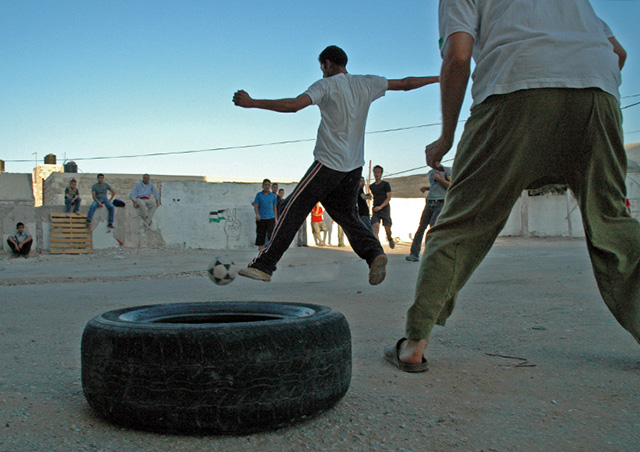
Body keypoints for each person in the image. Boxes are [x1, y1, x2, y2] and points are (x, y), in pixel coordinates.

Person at [385, 0, 638, 373]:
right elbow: (618, 53)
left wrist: (446, 137)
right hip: (597, 92)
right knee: (612, 220)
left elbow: (458, 57)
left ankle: (414, 344)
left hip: (513, 88)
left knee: (463, 222)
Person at [233, 45, 438, 284]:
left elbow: (294, 105)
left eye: (322, 67)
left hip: (328, 164)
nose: (321, 72)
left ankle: (264, 265)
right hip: (353, 168)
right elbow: (405, 83)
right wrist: (440, 77)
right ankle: (374, 254)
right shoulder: (367, 82)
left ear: (328, 64)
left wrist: (253, 102)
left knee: (292, 207)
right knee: (345, 214)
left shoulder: (326, 85)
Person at [406, 167, 451, 261]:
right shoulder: (431, 172)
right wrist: (426, 188)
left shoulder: (446, 171)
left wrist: (440, 179)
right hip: (430, 202)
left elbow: (452, 185)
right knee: (421, 228)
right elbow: (435, 186)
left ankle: (430, 255)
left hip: (440, 202)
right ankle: (414, 254)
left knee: (433, 227)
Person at [370, 165, 395, 249]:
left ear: (381, 174)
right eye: (375, 172)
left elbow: (388, 197)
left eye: (378, 172)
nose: (376, 174)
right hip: (376, 209)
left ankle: (390, 238)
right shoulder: (372, 186)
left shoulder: (385, 184)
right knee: (375, 226)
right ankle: (377, 246)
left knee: (387, 229)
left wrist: (381, 206)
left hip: (384, 209)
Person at [252, 179, 278, 251]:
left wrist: (275, 219)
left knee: (271, 236)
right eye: (265, 185)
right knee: (261, 236)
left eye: (268, 185)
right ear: (263, 186)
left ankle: (270, 252)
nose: (267, 186)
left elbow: (274, 208)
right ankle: (261, 252)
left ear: (270, 186)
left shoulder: (273, 196)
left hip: (271, 218)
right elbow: (256, 206)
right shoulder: (259, 195)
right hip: (261, 219)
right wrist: (257, 214)